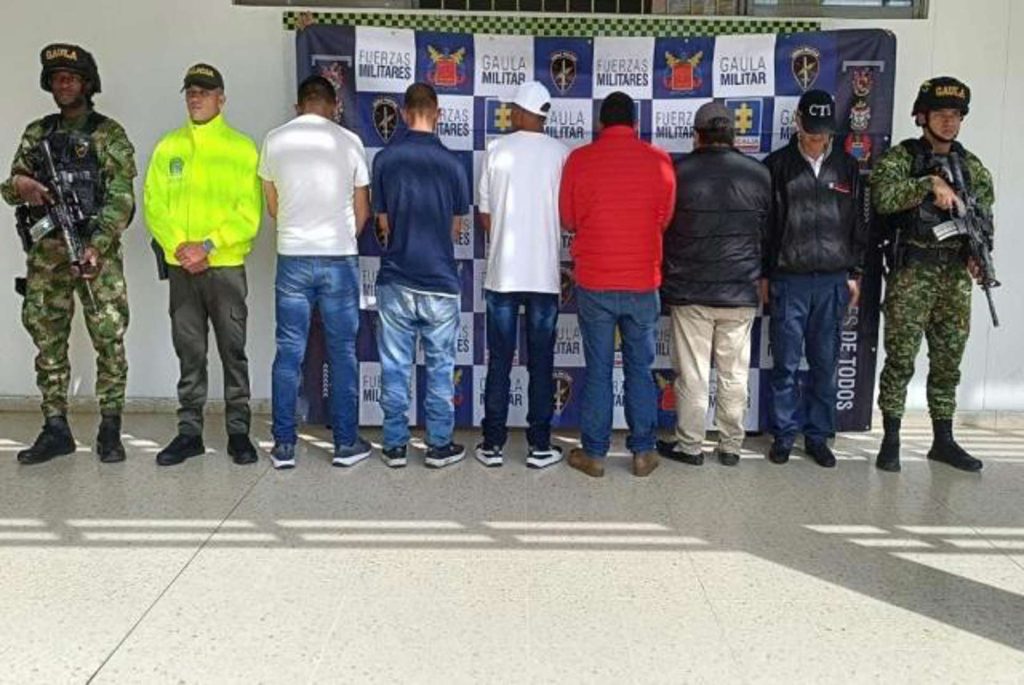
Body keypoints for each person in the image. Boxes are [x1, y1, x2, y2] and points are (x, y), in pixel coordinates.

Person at [1, 43, 135, 464]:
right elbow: (10, 187)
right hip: (47, 256)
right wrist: (21, 186)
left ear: (87, 84)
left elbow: (121, 199)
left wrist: (96, 246)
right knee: (47, 339)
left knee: (109, 338)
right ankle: (55, 427)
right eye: (57, 78)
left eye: (72, 78)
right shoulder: (37, 134)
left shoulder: (108, 134)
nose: (64, 84)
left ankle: (110, 428)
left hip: (95, 253)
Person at [871, 76, 994, 473]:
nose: (948, 122)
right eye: (940, 114)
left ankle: (943, 440)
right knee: (900, 360)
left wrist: (979, 255)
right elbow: (882, 198)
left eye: (955, 115)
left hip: (954, 276)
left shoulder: (972, 167)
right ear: (922, 117)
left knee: (947, 361)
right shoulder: (902, 158)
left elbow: (983, 218)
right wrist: (928, 183)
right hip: (913, 272)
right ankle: (891, 438)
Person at [144, 64, 262, 466]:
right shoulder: (168, 147)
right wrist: (181, 247)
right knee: (189, 352)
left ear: (221, 99)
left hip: (225, 268)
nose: (196, 98)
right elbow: (154, 204)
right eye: (191, 91)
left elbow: (249, 213)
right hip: (182, 269)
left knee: (233, 351)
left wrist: (208, 245)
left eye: (205, 92)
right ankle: (189, 433)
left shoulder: (242, 148)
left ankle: (238, 432)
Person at [558, 91, 676, 478]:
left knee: (598, 370)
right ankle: (643, 452)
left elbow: (568, 219)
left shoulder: (580, 159)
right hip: (642, 281)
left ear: (600, 124)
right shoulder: (659, 160)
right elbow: (664, 218)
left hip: (595, 281)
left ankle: (594, 454)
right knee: (640, 369)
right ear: (636, 124)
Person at [259, 75, 371, 470]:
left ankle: (284, 446)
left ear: (298, 105)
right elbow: (362, 210)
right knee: (342, 353)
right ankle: (345, 444)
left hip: (292, 256)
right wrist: (340, 238)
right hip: (338, 257)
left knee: (289, 352)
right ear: (334, 106)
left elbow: (273, 207)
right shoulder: (350, 142)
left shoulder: (274, 140)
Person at [657, 102, 771, 467]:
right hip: (740, 290)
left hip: (691, 291)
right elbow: (768, 234)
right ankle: (731, 446)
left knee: (692, 375)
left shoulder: (677, 173)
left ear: (697, 136)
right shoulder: (759, 174)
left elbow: (662, 229)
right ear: (733, 135)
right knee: (734, 374)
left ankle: (690, 447)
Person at [763, 89, 867, 468]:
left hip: (833, 281)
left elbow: (858, 224)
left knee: (825, 364)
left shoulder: (847, 167)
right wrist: (765, 274)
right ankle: (783, 435)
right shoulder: (776, 166)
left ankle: (818, 436)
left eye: (822, 133)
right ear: (797, 124)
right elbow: (766, 227)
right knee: (786, 365)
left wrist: (855, 272)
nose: (816, 140)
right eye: (810, 132)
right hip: (789, 279)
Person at [371, 83, 471, 469]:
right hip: (440, 281)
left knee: (394, 368)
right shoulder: (454, 164)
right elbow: (456, 229)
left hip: (396, 277)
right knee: (440, 369)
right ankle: (438, 446)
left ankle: (395, 446)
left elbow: (382, 224)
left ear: (402, 113)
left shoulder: (385, 159)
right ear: (438, 113)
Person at [475, 81, 569, 469]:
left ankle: (492, 445)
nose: (510, 114)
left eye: (513, 108)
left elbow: (485, 216)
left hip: (503, 275)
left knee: (499, 361)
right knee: (541, 364)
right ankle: (540, 446)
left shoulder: (496, 150)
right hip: (544, 276)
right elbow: (568, 216)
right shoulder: (562, 154)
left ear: (523, 112)